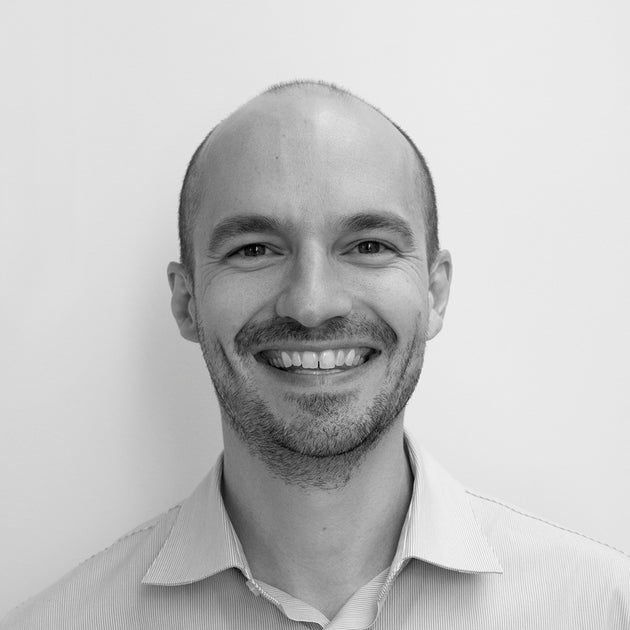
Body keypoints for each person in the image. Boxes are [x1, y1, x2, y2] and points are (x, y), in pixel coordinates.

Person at [2, 80, 628, 630]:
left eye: (368, 245)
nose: (311, 303)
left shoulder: (604, 610)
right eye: (254, 249)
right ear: (187, 302)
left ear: (434, 293)